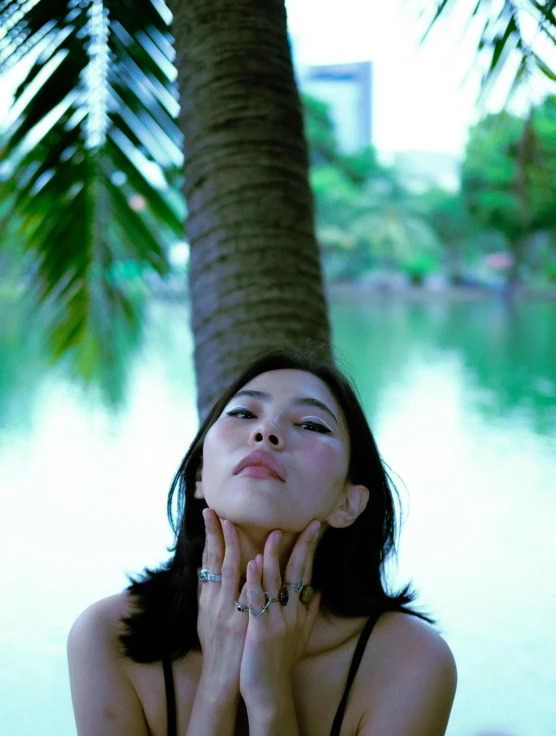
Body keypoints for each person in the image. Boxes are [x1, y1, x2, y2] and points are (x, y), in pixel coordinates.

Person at [68, 346, 457, 735]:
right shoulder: (106, 639)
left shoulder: (410, 662)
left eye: (311, 425)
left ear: (348, 503)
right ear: (200, 475)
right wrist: (217, 686)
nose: (265, 431)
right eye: (243, 413)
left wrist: (270, 698)